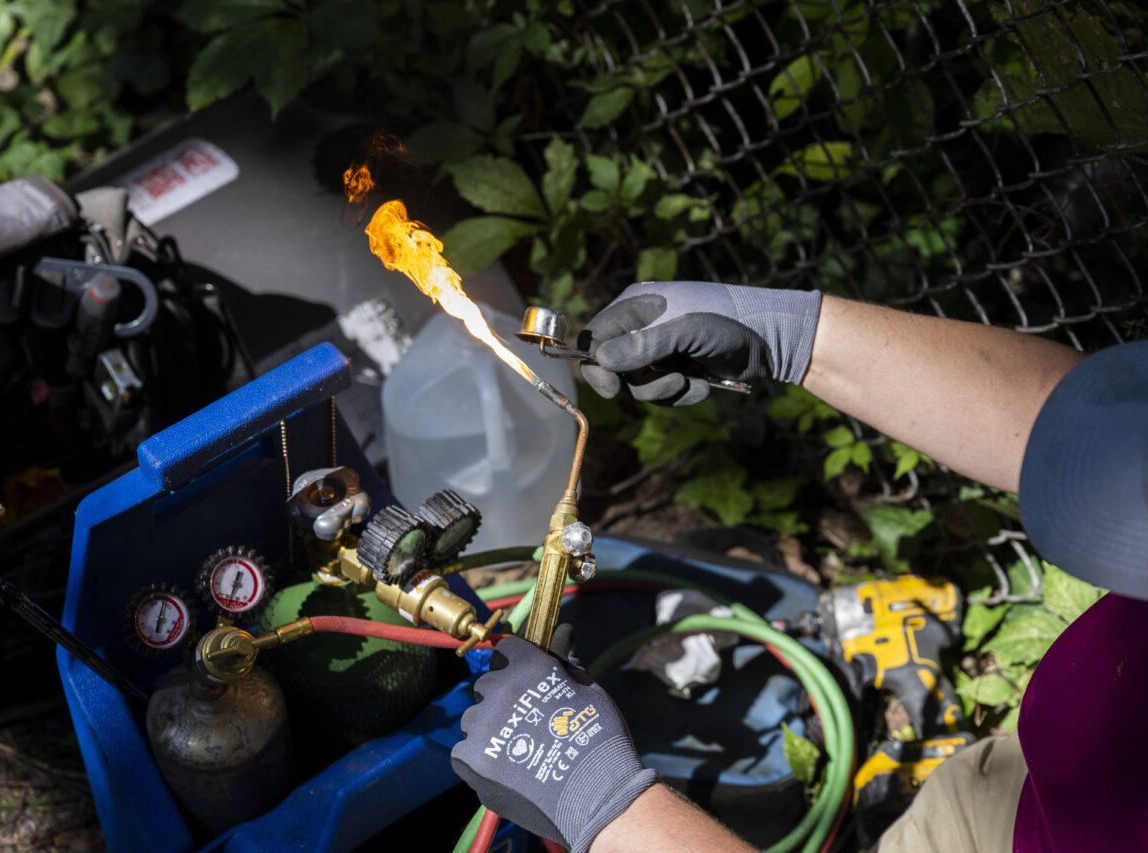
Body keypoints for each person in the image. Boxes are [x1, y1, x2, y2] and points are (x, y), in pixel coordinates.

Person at [451, 281, 1148, 853]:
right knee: (965, 795)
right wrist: (790, 334)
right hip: (1036, 795)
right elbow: (1081, 432)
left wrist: (600, 802)